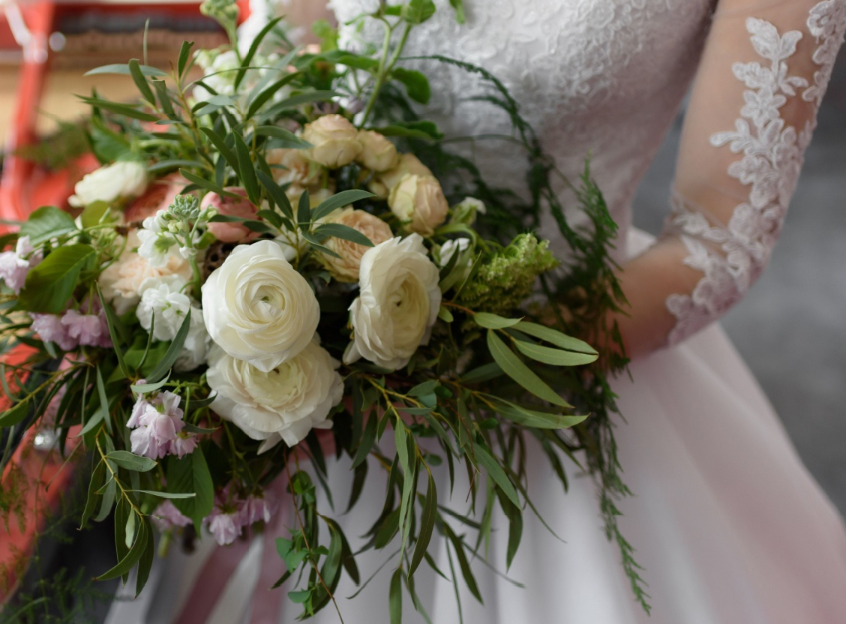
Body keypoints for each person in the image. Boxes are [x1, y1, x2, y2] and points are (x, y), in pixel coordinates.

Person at [119, 1, 846, 622]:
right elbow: (282, 56)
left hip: (552, 368)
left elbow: (720, 238)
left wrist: (458, 374)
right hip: (307, 359)